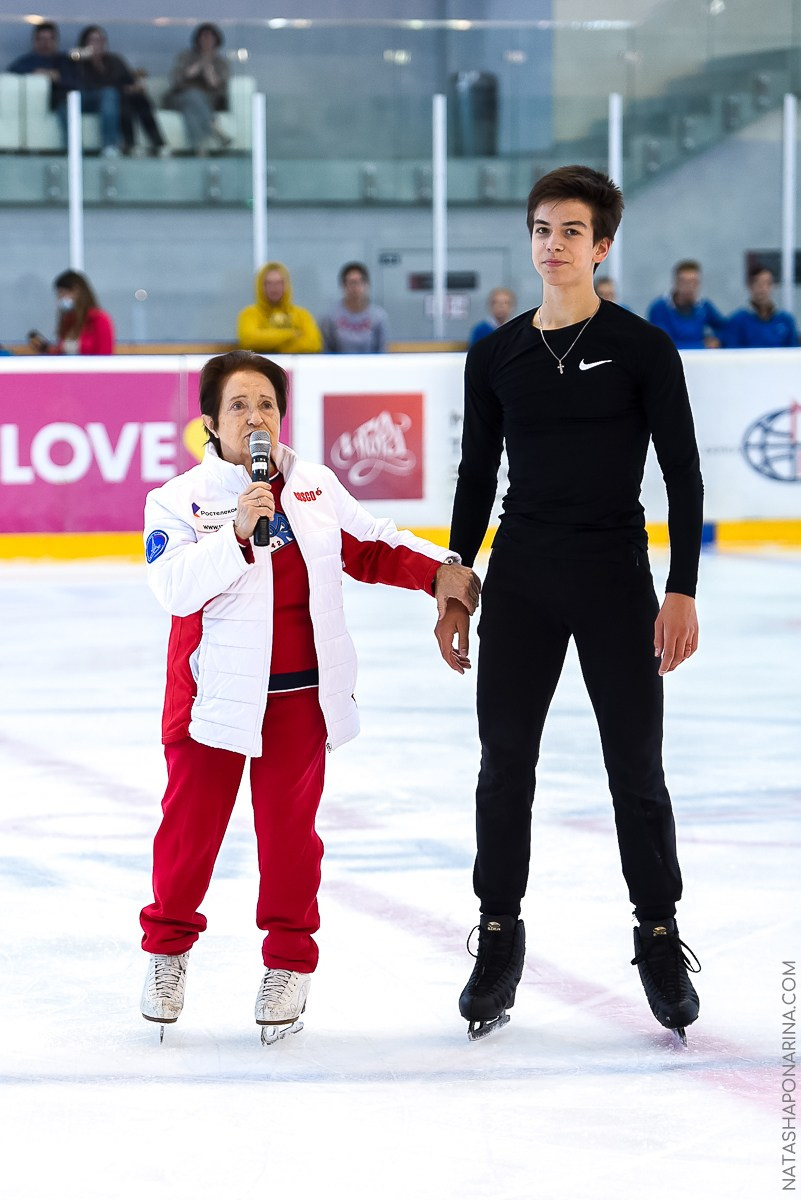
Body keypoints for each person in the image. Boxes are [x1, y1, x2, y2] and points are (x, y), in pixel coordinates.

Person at [139, 350, 480, 1041]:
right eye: (237, 405)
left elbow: (374, 547)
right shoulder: (179, 500)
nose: (253, 416)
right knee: (187, 838)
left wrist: (441, 574)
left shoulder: (317, 486)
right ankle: (168, 953)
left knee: (290, 841)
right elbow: (172, 589)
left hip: (299, 698)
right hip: (211, 702)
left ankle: (288, 964)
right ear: (210, 420)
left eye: (264, 403)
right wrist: (237, 529)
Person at [436, 164, 704, 1044]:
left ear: (602, 245)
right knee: (502, 764)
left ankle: (658, 936)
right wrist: (455, 577)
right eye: (542, 229)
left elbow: (683, 472)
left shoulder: (641, 348)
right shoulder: (497, 354)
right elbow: (477, 476)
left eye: (570, 231)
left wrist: (680, 590)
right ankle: (499, 939)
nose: (553, 245)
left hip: (615, 576)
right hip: (521, 578)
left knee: (636, 770)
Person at [72, 25, 167, 157]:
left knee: (140, 99)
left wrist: (135, 86)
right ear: (85, 43)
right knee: (119, 100)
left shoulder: (114, 60)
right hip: (99, 99)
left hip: (124, 95)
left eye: (100, 40)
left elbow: (129, 78)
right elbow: (88, 87)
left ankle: (159, 143)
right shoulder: (80, 64)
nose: (98, 44)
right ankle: (129, 144)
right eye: (93, 40)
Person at [163, 23, 231, 155]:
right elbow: (176, 80)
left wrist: (209, 69)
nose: (207, 41)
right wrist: (198, 66)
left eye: (211, 38)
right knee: (193, 95)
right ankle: (214, 127)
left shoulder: (221, 63)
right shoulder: (186, 56)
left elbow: (219, 87)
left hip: (206, 101)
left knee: (191, 111)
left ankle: (199, 149)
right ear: (198, 39)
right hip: (179, 97)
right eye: (204, 37)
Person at [6, 21, 77, 145]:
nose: (46, 44)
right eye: (41, 39)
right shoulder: (27, 61)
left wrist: (57, 77)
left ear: (56, 41)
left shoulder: (64, 61)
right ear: (35, 41)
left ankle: (71, 150)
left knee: (68, 107)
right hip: (34, 108)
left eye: (49, 39)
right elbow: (10, 75)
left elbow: (76, 82)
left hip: (61, 101)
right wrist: (36, 73)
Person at [237, 262, 323, 354]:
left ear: (287, 285)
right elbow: (249, 340)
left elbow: (314, 343)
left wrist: (268, 345)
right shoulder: (249, 314)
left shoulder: (302, 314)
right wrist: (291, 334)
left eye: (279, 283)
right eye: (268, 283)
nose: (274, 288)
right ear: (260, 286)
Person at [28, 269, 114, 355]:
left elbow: (105, 355)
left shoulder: (99, 319)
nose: (60, 298)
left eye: (62, 293)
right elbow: (64, 351)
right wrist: (47, 349)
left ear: (77, 291)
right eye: (58, 294)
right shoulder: (68, 319)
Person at [647, 259, 726, 349]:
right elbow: (665, 344)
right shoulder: (659, 308)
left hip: (699, 359)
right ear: (675, 282)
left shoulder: (704, 306)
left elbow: (725, 328)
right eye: (684, 282)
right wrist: (702, 346)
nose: (689, 287)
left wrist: (716, 340)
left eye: (694, 282)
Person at [722, 264, 800, 349]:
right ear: (750, 286)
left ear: (773, 286)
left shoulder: (786, 320)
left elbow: (793, 352)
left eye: (767, 283)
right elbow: (732, 355)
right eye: (758, 283)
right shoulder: (737, 321)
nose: (763, 288)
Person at [320, 262, 389, 353]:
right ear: (343, 286)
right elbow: (326, 349)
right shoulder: (330, 316)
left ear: (367, 284)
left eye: (358, 282)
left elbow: (382, 350)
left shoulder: (379, 316)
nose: (355, 287)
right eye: (351, 283)